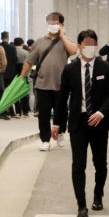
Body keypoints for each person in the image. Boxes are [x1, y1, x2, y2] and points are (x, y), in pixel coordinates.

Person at [52, 30, 109, 217]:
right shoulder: (70, 69)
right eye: (87, 43)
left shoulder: (107, 68)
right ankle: (81, 205)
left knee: (100, 164)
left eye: (94, 43)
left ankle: (98, 195)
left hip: (99, 123)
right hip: (78, 123)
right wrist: (57, 123)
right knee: (78, 165)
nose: (91, 47)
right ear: (79, 46)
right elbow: (62, 98)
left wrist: (101, 112)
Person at [20, 12, 79, 151]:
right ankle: (45, 139)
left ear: (61, 25)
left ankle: (60, 133)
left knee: (62, 112)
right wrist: (22, 77)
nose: (53, 25)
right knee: (44, 114)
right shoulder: (40, 42)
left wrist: (63, 35)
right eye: (50, 22)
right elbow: (29, 61)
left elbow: (74, 51)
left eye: (56, 23)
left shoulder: (66, 40)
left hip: (61, 84)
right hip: (42, 84)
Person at [0, 31, 19, 116]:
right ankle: (12, 111)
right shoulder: (12, 48)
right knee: (10, 92)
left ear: (1, 38)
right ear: (8, 38)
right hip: (11, 72)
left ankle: (3, 110)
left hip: (1, 73)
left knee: (2, 92)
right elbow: (15, 60)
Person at [14, 37, 31, 117]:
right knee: (25, 92)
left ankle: (18, 111)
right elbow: (28, 64)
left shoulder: (13, 52)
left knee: (16, 92)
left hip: (15, 74)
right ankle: (25, 111)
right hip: (24, 73)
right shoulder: (26, 52)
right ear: (22, 44)